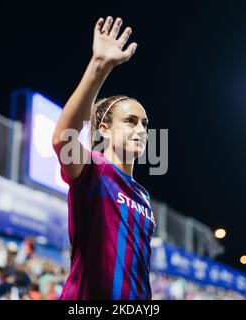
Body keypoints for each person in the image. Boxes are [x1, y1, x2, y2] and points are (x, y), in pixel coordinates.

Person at [52, 16, 156, 300]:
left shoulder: (143, 196)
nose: (140, 130)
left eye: (144, 124)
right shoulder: (94, 170)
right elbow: (63, 139)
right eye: (130, 121)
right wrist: (100, 66)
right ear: (104, 128)